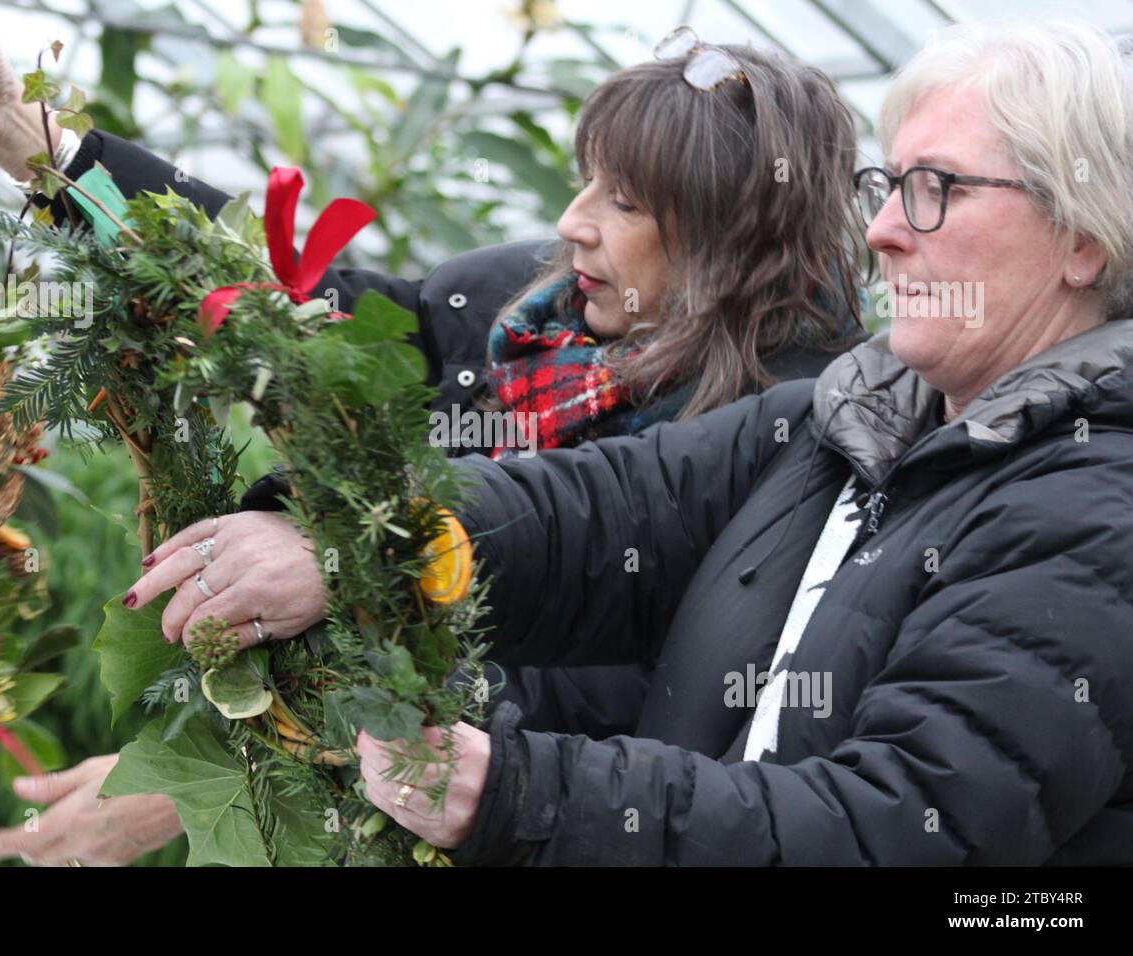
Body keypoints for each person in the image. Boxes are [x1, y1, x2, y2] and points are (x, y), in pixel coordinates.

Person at [0, 3, 869, 864]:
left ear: (724, 236)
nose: (573, 221)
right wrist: (38, 143)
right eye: (584, 180)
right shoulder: (533, 314)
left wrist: (197, 779)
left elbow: (568, 707)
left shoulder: (787, 449)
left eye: (624, 200)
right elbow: (286, 301)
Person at [130, 19, 1133, 864]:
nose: (881, 233)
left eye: (938, 188)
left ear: (1082, 234)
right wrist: (345, 541)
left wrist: (521, 794)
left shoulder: (1094, 505)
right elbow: (600, 507)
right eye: (888, 185)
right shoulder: (860, 412)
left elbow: (894, 824)